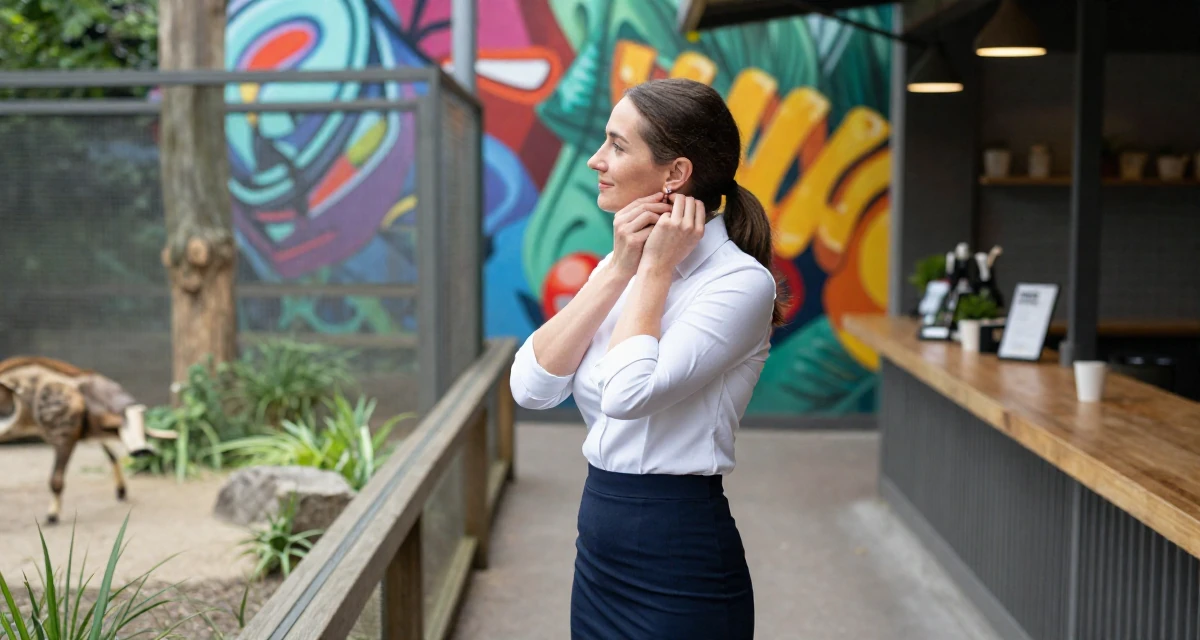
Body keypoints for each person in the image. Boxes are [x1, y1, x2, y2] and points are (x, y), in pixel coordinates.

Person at [509, 77, 786, 640]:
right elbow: (531, 389)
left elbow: (628, 396)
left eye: (616, 145)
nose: (595, 160)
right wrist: (618, 269)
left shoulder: (739, 284)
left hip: (678, 550)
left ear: (675, 174)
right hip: (600, 538)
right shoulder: (621, 264)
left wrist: (654, 272)